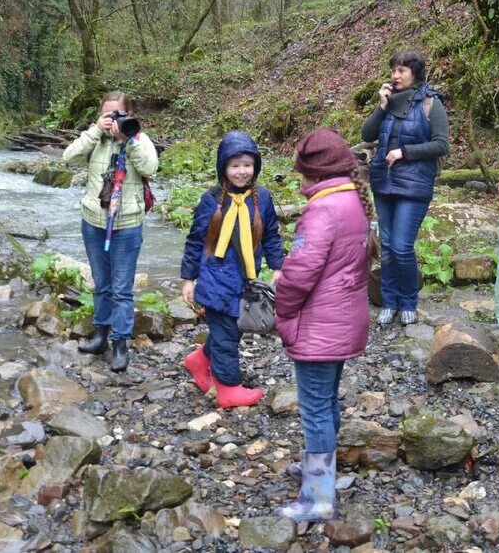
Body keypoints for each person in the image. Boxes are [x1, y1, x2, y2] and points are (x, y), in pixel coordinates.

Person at [274, 128, 375, 522]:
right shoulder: (354, 198)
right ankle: (321, 471)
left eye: (301, 172)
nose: (298, 180)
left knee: (315, 409)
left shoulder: (322, 210)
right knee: (327, 400)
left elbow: (299, 274)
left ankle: (318, 496)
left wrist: (282, 309)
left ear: (313, 172)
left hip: (320, 325)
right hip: (345, 318)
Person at [180, 132, 284, 409]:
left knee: (232, 329)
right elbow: (195, 240)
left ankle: (199, 360)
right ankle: (228, 388)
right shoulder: (211, 200)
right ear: (223, 167)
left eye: (247, 165)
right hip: (216, 278)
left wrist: (277, 267)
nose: (241, 171)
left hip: (246, 278)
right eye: (234, 165)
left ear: (256, 167)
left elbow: (272, 234)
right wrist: (188, 279)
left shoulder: (261, 197)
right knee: (227, 334)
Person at [63, 91, 159, 371]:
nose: (112, 120)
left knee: (121, 288)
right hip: (94, 222)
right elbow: (68, 158)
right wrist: (95, 130)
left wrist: (127, 139)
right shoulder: (95, 139)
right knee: (101, 283)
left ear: (129, 114)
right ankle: (100, 335)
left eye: (118, 114)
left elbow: (150, 167)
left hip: (127, 225)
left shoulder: (138, 139)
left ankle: (120, 344)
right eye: (107, 114)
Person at [361, 50, 449, 326]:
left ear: (415, 73)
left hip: (414, 186)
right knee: (386, 246)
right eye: (394, 70)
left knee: (401, 247)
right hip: (384, 183)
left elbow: (441, 144)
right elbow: (367, 135)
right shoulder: (389, 102)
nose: (396, 75)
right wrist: (382, 105)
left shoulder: (430, 103)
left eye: (402, 70)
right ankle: (389, 301)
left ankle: (408, 300)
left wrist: (405, 152)